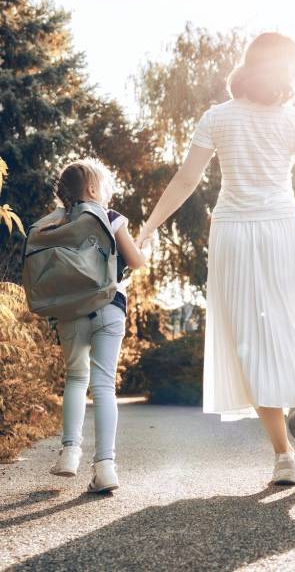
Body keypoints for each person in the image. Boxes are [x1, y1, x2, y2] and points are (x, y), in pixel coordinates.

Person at [136, 33, 295, 485]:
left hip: (233, 234)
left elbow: (187, 179)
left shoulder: (218, 117)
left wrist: (148, 228)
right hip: (282, 228)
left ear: (248, 64)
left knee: (252, 340)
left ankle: (284, 456)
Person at [49, 158, 147, 492]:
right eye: (105, 186)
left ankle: (69, 452)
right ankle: (105, 467)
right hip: (109, 307)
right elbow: (135, 261)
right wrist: (145, 247)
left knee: (76, 379)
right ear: (92, 189)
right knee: (104, 386)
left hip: (71, 311)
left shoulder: (56, 223)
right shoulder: (111, 218)